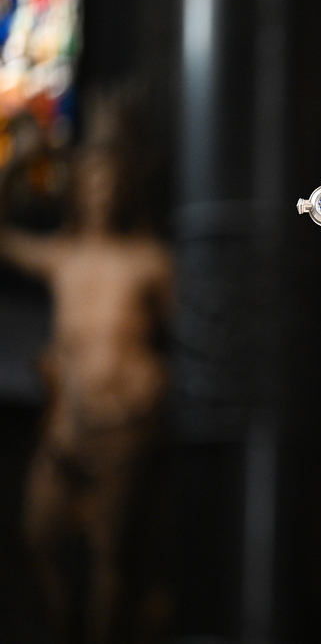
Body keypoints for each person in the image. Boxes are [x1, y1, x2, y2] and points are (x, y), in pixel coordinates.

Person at [0, 137, 172, 642]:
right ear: (77, 192)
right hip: (68, 424)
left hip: (122, 424)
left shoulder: (148, 260)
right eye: (92, 184)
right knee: (39, 535)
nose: (101, 194)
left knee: (107, 551)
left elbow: (186, 331)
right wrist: (15, 162)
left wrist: (156, 383)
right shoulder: (63, 255)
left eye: (110, 185)